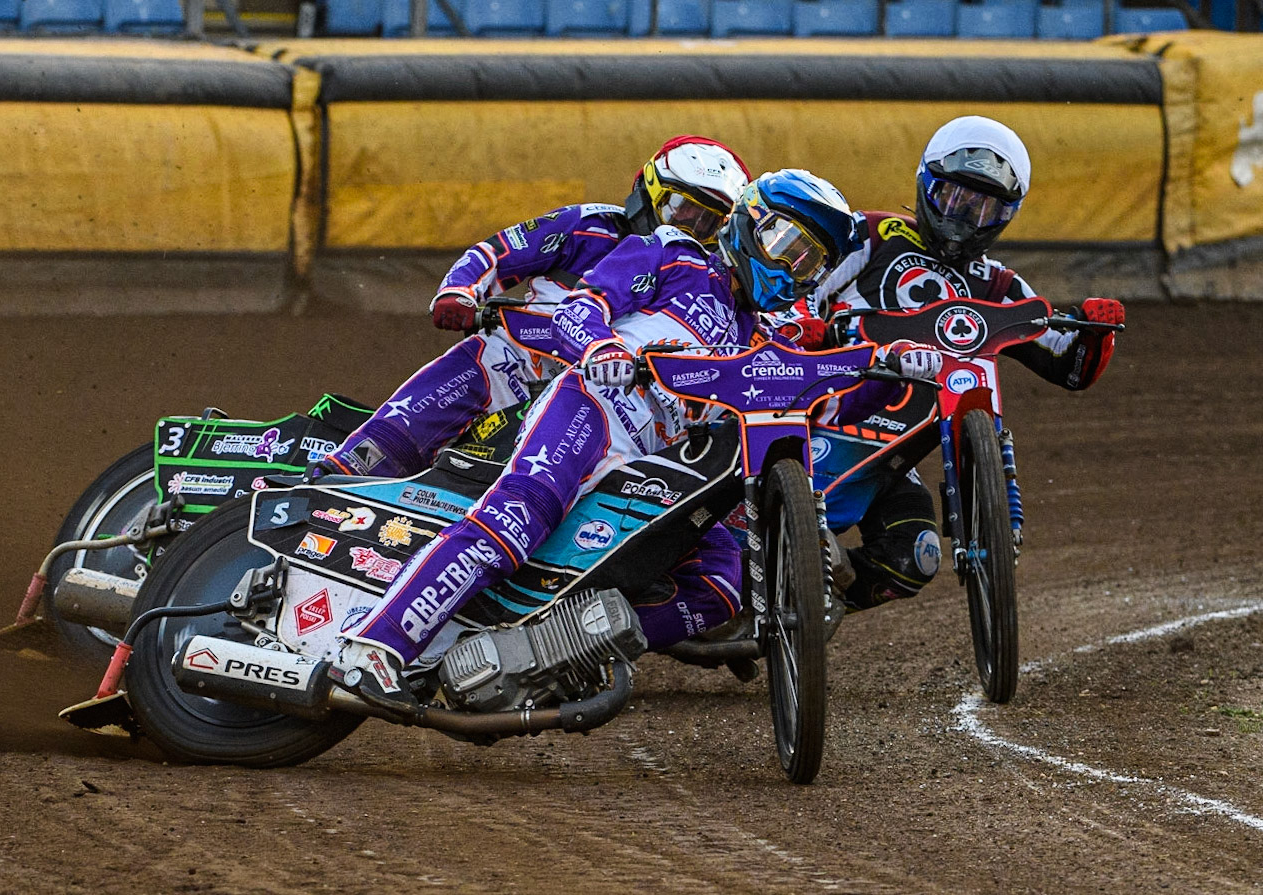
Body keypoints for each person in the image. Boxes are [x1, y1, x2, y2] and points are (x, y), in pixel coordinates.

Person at [330, 169, 868, 713]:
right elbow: (580, 309)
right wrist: (601, 348)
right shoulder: (673, 252)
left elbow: (812, 386)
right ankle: (374, 645)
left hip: (655, 465)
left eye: (809, 262)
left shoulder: (761, 334)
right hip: (593, 406)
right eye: (785, 245)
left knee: (723, 583)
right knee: (514, 522)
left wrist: (889, 363)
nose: (790, 269)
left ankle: (549, 652)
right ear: (751, 221)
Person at [784, 115, 1126, 613]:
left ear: (1005, 215)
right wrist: (807, 326)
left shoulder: (998, 282)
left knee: (918, 557)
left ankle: (817, 608)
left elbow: (1067, 363)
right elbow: (793, 286)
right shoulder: (870, 234)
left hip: (894, 456)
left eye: (983, 207)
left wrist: (1093, 332)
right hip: (819, 415)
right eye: (953, 197)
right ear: (926, 183)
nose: (962, 217)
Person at [315, 136, 751, 479]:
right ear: (648, 190)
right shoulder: (589, 224)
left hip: (618, 400)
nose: (689, 227)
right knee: (485, 358)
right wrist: (460, 292)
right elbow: (498, 252)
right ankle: (357, 462)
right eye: (680, 209)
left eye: (707, 221)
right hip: (525, 363)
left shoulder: (706, 280)